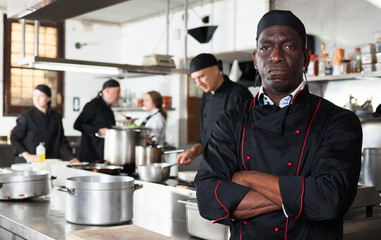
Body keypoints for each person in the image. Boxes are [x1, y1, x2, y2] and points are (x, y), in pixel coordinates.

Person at [194, 10, 362, 240]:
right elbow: (207, 198)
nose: (275, 56)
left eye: (289, 46)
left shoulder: (338, 121)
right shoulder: (231, 121)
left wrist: (247, 178)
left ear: (306, 57)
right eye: (265, 48)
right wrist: (302, 193)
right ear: (255, 59)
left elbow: (329, 201)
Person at [176, 53, 253, 165]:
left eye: (201, 77)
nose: (198, 83)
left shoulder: (239, 94)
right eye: (195, 79)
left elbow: (250, 138)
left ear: (215, 70)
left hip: (234, 167)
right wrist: (193, 151)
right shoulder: (205, 96)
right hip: (211, 166)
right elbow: (205, 138)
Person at [11, 85, 79, 164]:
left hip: (50, 161)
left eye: (41, 96)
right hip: (29, 162)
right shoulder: (26, 117)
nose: (37, 99)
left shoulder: (56, 117)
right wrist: (27, 156)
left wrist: (71, 157)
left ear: (48, 98)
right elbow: (14, 138)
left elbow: (61, 141)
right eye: (34, 96)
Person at [74, 79, 120, 163]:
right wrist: (98, 130)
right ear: (107, 91)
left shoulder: (108, 109)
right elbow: (78, 124)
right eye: (117, 92)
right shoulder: (93, 105)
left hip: (103, 155)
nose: (119, 95)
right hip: (90, 156)